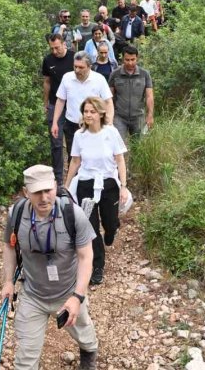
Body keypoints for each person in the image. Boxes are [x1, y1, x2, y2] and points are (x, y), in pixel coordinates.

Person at [1, 165, 98, 370]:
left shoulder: (72, 214)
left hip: (68, 292)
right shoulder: (16, 214)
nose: (44, 197)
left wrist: (78, 296)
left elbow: (86, 256)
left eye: (48, 190)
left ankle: (89, 354)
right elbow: (9, 247)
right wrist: (8, 281)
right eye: (37, 192)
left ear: (55, 186)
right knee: (25, 358)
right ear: (26, 192)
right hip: (32, 295)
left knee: (85, 335)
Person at [64, 97, 129, 286]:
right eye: (86, 111)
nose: (88, 115)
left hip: (108, 183)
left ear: (101, 113)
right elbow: (75, 161)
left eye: (92, 111)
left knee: (110, 222)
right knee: (90, 228)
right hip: (86, 184)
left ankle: (111, 232)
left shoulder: (111, 132)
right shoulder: (79, 136)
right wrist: (67, 187)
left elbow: (120, 160)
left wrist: (123, 186)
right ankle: (97, 266)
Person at [52, 52, 114, 160]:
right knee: (74, 157)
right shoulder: (67, 78)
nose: (77, 70)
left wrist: (109, 122)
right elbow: (60, 100)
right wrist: (55, 122)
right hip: (72, 124)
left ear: (89, 66)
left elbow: (108, 102)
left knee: (93, 156)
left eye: (81, 67)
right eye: (75, 66)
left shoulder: (99, 79)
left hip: (93, 125)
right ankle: (74, 177)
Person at [42, 34, 75, 184]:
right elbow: (47, 82)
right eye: (52, 48)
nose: (55, 51)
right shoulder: (48, 60)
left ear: (63, 44)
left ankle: (73, 178)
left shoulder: (74, 58)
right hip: (55, 104)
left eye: (57, 47)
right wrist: (46, 103)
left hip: (72, 104)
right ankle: (59, 179)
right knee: (56, 143)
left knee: (73, 142)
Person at [108, 45, 154, 146]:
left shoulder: (144, 74)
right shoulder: (115, 74)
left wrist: (150, 115)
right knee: (117, 146)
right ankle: (120, 162)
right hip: (119, 117)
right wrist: (108, 116)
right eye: (127, 60)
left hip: (138, 117)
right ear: (122, 59)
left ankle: (135, 162)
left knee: (139, 147)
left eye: (133, 59)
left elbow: (149, 96)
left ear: (137, 58)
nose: (130, 63)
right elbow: (109, 97)